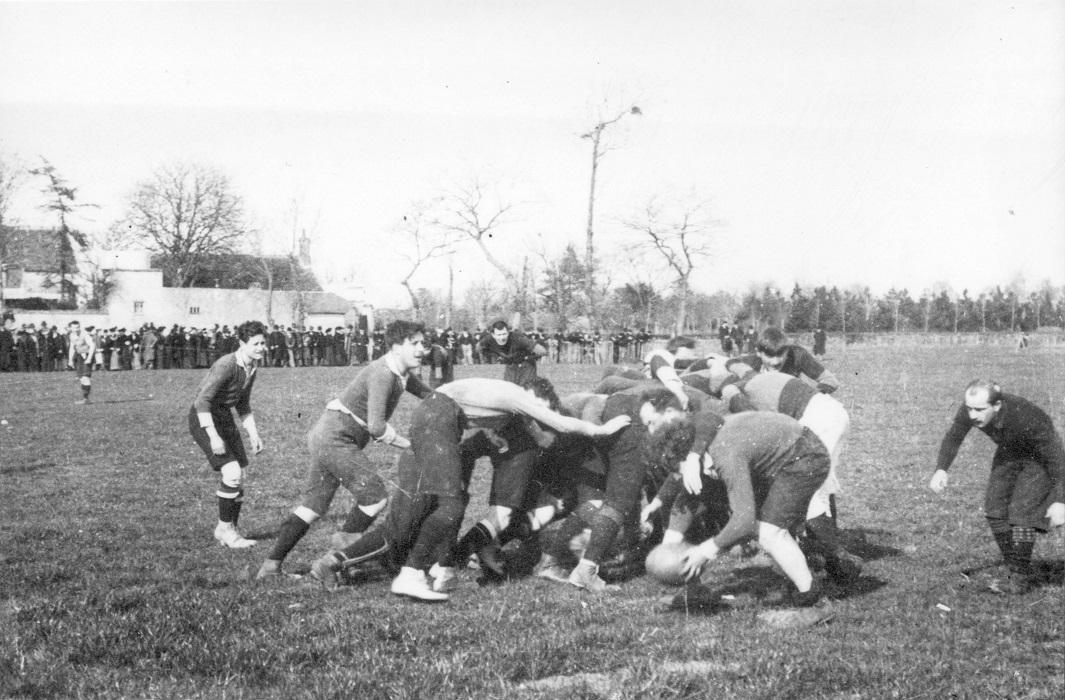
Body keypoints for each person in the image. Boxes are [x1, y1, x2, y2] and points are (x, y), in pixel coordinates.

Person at [308, 376, 631, 601]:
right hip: (426, 455)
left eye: (542, 413)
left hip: (445, 460)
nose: (537, 418)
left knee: (432, 526)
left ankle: (426, 563)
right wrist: (601, 430)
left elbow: (506, 501)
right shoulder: (505, 406)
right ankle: (335, 561)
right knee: (403, 528)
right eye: (535, 411)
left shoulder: (517, 428)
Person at [255, 321, 432, 579]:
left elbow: (431, 396)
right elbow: (377, 428)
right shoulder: (383, 372)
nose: (421, 349)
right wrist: (412, 446)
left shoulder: (401, 371)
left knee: (313, 507)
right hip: (336, 438)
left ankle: (270, 567)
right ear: (395, 347)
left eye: (422, 343)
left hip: (326, 435)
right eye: (414, 344)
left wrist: (459, 401)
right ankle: (336, 561)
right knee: (375, 497)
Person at [650, 411, 832, 607]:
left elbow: (744, 521)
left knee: (770, 531)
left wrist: (705, 550)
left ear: (688, 459)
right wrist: (671, 542)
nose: (676, 478)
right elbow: (689, 498)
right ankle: (697, 592)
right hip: (780, 450)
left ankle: (813, 601)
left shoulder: (726, 455)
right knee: (769, 528)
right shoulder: (700, 451)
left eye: (677, 471)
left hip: (804, 455)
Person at [536, 386, 706, 592]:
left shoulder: (636, 400)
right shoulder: (652, 421)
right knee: (620, 502)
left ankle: (551, 561)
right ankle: (586, 571)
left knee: (599, 501)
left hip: (605, 422)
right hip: (624, 428)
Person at [719, 370, 861, 583]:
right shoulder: (759, 380)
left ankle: (838, 560)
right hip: (833, 413)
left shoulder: (734, 393)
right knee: (819, 488)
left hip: (818, 419)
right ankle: (822, 552)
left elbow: (759, 428)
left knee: (811, 493)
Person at [929, 380, 1065, 593]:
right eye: (970, 408)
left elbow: (1057, 458)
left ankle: (1018, 579)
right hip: (1009, 451)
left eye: (980, 410)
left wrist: (1060, 500)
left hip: (1039, 459)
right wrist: (941, 469)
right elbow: (954, 436)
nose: (973, 415)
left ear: (997, 405)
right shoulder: (971, 408)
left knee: (1022, 514)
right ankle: (1016, 566)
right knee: (994, 510)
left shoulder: (1027, 418)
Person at [188, 320, 268, 549]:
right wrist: (213, 436)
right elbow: (202, 401)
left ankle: (228, 530)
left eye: (263, 343)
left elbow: (242, 404)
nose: (261, 348)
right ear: (242, 344)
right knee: (231, 472)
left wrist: (253, 434)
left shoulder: (252, 366)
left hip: (223, 417)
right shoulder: (227, 365)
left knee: (238, 475)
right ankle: (226, 530)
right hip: (203, 417)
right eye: (256, 344)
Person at [752, 327, 839, 394]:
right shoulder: (746, 364)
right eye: (769, 355)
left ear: (787, 350)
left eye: (780, 354)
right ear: (758, 353)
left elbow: (831, 381)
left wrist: (808, 396)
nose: (775, 362)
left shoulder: (797, 354)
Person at [476, 319, 547, 385]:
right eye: (499, 335)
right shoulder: (488, 339)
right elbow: (478, 348)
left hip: (526, 364)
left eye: (504, 334)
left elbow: (543, 351)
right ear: (493, 335)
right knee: (509, 389)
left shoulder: (518, 338)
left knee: (525, 390)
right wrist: (496, 355)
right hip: (511, 365)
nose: (502, 337)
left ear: (508, 332)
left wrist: (528, 357)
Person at [66, 320, 97, 404]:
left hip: (87, 356)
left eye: (78, 327)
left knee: (85, 377)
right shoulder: (71, 335)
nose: (77, 329)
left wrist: (89, 358)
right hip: (79, 356)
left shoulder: (85, 334)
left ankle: (86, 399)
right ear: (70, 328)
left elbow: (92, 345)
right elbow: (72, 347)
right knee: (81, 379)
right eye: (74, 328)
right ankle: (85, 399)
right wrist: (70, 360)